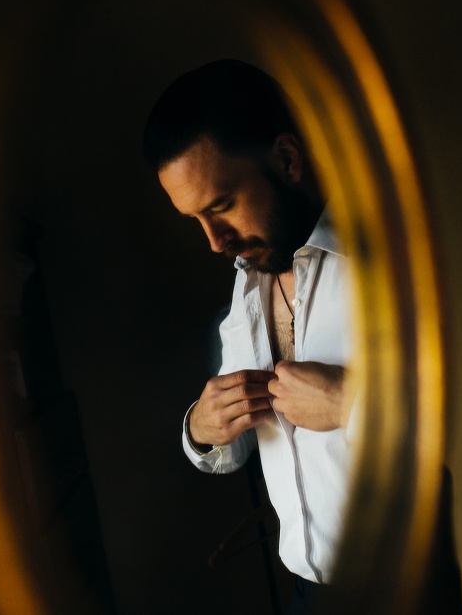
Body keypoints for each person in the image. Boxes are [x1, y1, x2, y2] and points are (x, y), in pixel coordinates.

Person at [143, 59, 354, 613]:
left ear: (287, 160)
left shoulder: (389, 260)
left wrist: (353, 403)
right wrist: (201, 427)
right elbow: (232, 444)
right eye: (196, 219)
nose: (214, 242)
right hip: (307, 594)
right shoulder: (248, 275)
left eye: (221, 207)